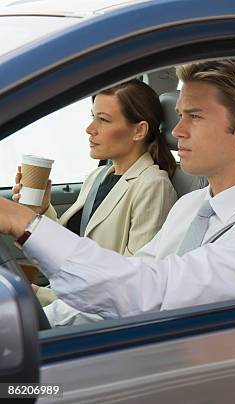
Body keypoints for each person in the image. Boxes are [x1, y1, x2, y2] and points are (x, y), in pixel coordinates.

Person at [0, 59, 235, 320]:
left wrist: (26, 224)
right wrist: (45, 323)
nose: (177, 131)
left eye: (195, 117)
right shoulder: (191, 206)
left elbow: (152, 293)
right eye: (180, 116)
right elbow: (126, 283)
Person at [14, 80, 178, 308]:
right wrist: (38, 213)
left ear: (139, 130)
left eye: (103, 120)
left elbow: (132, 288)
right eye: (93, 117)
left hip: (92, 314)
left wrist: (39, 295)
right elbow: (70, 249)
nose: (90, 128)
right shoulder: (98, 176)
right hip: (65, 298)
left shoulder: (153, 185)